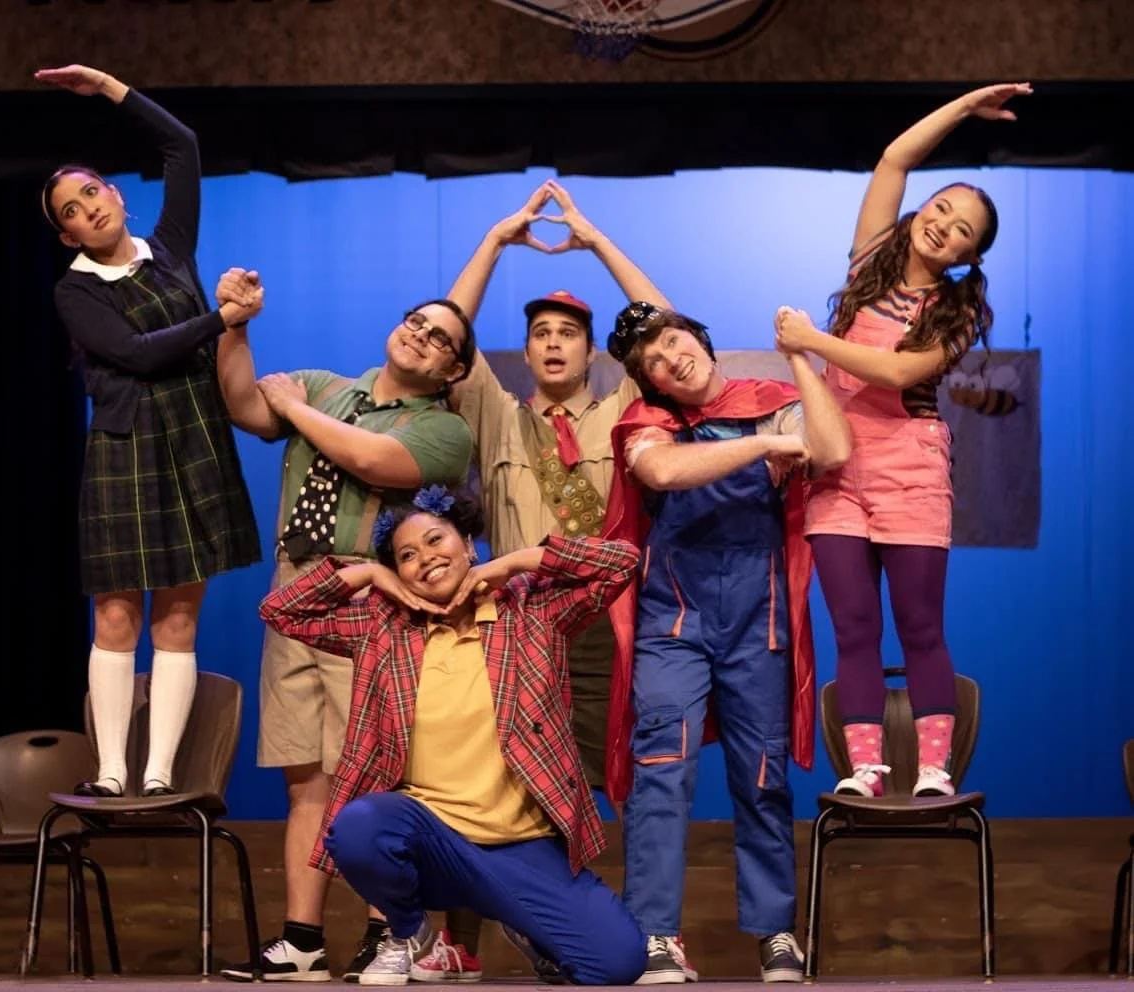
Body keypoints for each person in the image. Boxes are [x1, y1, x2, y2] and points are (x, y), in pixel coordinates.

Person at [257, 484, 647, 987]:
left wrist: (510, 564)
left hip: (521, 846)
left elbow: (622, 562)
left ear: (467, 542)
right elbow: (281, 610)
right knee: (359, 826)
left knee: (617, 963)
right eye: (406, 556)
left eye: (437, 540)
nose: (426, 559)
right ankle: (412, 932)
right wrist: (370, 572)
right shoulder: (383, 625)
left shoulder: (530, 612)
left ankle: (523, 922)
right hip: (430, 837)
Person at [212, 272, 476, 982]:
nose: (420, 334)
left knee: (376, 776)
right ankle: (302, 940)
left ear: (452, 368)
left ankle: (387, 932)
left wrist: (295, 410)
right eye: (416, 321)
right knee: (308, 777)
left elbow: (368, 458)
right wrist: (235, 326)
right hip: (297, 588)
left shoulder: (443, 427)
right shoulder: (327, 386)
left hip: (369, 596)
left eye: (440, 337)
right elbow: (244, 404)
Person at [773, 82, 1031, 800]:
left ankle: (934, 770)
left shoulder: (958, 310)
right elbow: (893, 159)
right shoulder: (870, 262)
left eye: (962, 231)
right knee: (854, 628)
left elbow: (894, 372)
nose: (943, 226)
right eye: (942, 208)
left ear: (966, 256)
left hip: (910, 467)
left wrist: (810, 339)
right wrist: (963, 107)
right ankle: (863, 769)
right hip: (835, 465)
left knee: (919, 626)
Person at [430, 180, 660, 979]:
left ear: (592, 351)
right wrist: (495, 242)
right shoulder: (495, 413)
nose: (555, 343)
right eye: (541, 334)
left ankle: (598, 936)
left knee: (601, 784)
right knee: (484, 781)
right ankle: (459, 942)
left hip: (603, 622)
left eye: (569, 332)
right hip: (512, 627)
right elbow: (447, 333)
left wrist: (598, 245)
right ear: (524, 353)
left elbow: (665, 330)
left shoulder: (624, 408)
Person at [603, 301, 852, 983]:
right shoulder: (648, 424)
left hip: (757, 621)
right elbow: (661, 474)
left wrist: (800, 358)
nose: (669, 357)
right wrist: (767, 447)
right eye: (652, 360)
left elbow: (831, 451)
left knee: (762, 777)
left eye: (674, 340)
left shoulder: (773, 402)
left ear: (700, 339)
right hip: (673, 624)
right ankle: (653, 933)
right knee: (661, 770)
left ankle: (774, 931)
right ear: (648, 381)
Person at [36, 64, 262, 800]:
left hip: (194, 441)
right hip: (127, 452)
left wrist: (108, 87)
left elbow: (184, 147)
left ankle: (160, 772)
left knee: (179, 612)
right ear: (65, 230)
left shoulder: (168, 248)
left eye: (92, 191)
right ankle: (110, 770)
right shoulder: (73, 290)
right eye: (71, 208)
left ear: (116, 195)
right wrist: (218, 321)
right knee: (117, 611)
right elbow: (136, 355)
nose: (87, 209)